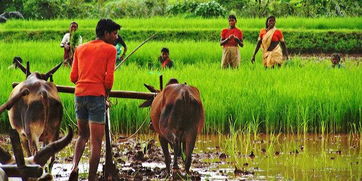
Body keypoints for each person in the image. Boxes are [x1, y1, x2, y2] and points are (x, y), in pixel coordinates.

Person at [68, 19, 120, 181]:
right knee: (96, 141)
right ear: (105, 33)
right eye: (114, 33)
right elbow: (109, 79)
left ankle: (74, 167)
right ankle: (91, 177)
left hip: (79, 95)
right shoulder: (110, 50)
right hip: (96, 96)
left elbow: (73, 77)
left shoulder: (80, 49)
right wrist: (106, 94)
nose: (116, 37)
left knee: (82, 135)